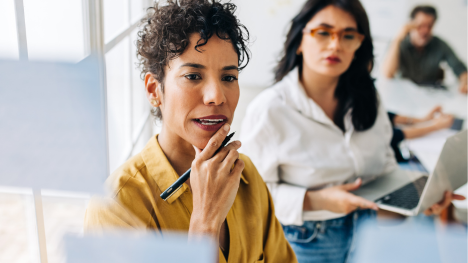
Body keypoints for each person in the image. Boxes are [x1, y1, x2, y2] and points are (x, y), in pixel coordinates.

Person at [239, 0, 465, 262]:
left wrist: (421, 200)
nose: (335, 44)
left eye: (348, 35)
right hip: (306, 240)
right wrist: (317, 200)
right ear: (300, 40)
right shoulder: (269, 110)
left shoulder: (369, 99)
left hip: (369, 231)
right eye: (323, 32)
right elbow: (249, 198)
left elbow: (384, 171)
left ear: (359, 45)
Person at [84, 1, 297, 262]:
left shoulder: (246, 175)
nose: (216, 97)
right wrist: (204, 226)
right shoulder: (116, 207)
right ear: (154, 90)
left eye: (229, 78)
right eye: (193, 76)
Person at [381, 5, 468, 93]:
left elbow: (460, 68)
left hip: (429, 95)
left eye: (429, 26)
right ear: (411, 24)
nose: (425, 31)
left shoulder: (439, 44)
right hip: (404, 94)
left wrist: (465, 82)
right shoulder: (399, 42)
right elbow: (388, 74)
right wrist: (398, 39)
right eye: (421, 25)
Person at [388, 106, 454, 162]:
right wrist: (436, 126)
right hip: (394, 156)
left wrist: (422, 120)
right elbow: (394, 135)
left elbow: (386, 115)